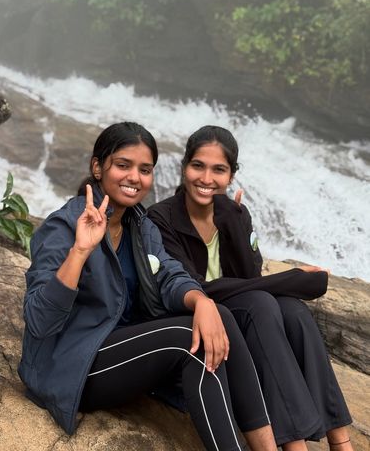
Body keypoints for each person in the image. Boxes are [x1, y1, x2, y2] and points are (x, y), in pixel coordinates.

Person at [18, 121, 279, 451]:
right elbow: (39, 320)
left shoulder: (139, 225)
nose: (134, 178)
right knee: (190, 341)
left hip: (122, 351)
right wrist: (81, 250)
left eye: (145, 170)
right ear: (97, 167)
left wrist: (201, 301)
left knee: (218, 314)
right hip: (71, 367)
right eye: (123, 165)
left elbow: (169, 274)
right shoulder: (64, 225)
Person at [148, 125, 353, 451]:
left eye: (219, 170)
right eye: (198, 165)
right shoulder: (160, 218)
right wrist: (295, 277)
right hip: (197, 317)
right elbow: (197, 288)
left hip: (239, 312)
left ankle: (341, 441)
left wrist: (232, 222)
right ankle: (294, 444)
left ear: (231, 176)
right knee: (261, 303)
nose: (206, 178)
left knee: (294, 310)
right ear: (184, 166)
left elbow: (249, 275)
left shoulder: (234, 214)